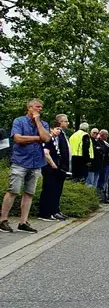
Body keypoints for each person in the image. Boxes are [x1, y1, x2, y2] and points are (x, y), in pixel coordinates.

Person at [1, 99, 52, 233]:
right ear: (29, 107)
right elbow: (18, 139)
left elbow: (47, 139)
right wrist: (37, 138)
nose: (40, 109)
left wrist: (37, 121)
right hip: (20, 161)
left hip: (36, 162)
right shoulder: (19, 121)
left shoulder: (44, 123)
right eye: (37, 107)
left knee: (29, 193)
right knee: (13, 190)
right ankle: (3, 220)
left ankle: (23, 222)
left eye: (41, 107)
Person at [38, 115, 71, 222]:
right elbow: (46, 153)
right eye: (57, 128)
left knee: (56, 190)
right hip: (51, 168)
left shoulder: (58, 137)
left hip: (59, 167)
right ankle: (46, 213)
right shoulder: (49, 139)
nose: (58, 131)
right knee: (49, 190)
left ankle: (54, 210)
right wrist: (54, 165)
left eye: (59, 129)